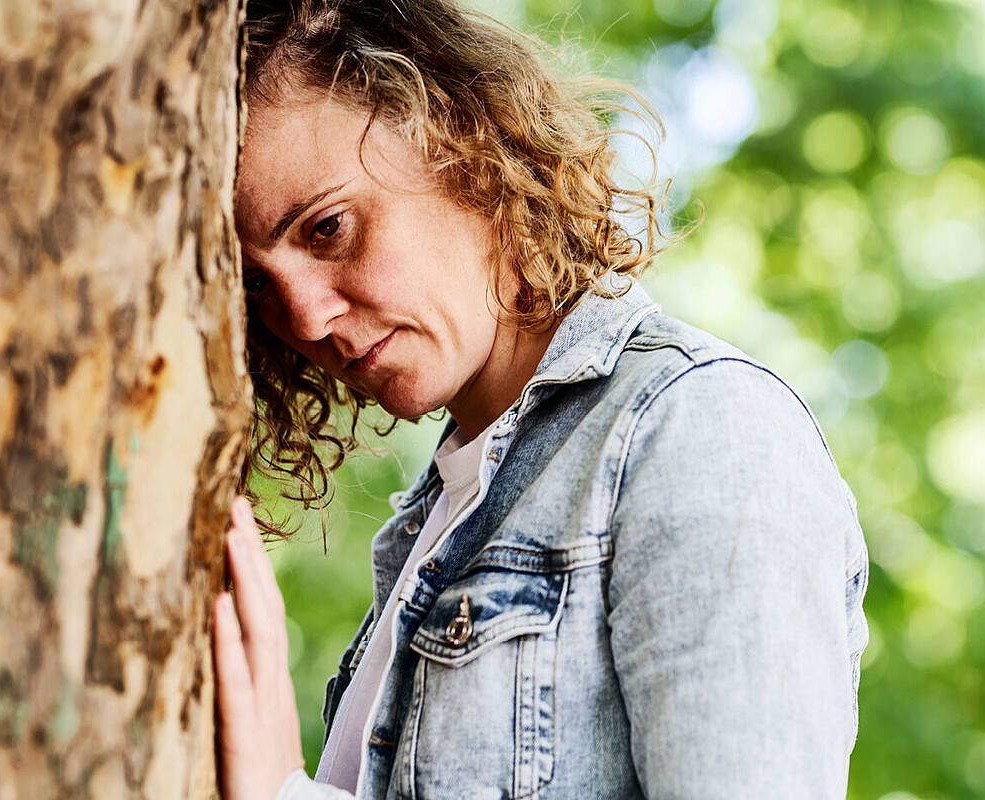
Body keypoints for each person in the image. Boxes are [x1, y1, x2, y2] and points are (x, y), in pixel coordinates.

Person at [214, 1, 871, 798]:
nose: (306, 317)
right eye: (258, 286)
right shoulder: (444, 518)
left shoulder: (702, 428)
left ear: (459, 140)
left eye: (328, 229)